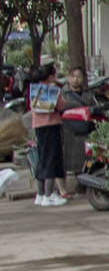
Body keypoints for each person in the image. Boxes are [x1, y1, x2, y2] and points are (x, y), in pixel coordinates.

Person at [28, 64, 71, 207]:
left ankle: (40, 194)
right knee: (52, 159)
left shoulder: (33, 89)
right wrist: (59, 91)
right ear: (49, 77)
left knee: (42, 159)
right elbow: (61, 106)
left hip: (38, 127)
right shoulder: (52, 90)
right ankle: (49, 194)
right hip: (51, 126)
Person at [58, 66, 101, 198]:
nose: (76, 80)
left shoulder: (88, 94)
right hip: (68, 131)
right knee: (68, 161)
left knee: (86, 159)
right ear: (69, 78)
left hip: (85, 131)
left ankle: (84, 186)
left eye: (79, 77)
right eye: (73, 76)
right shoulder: (62, 94)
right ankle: (65, 189)